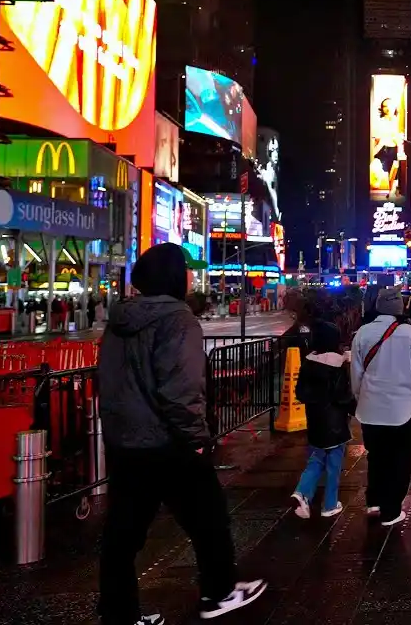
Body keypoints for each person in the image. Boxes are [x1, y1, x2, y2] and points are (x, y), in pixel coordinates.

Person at [96, 243, 266, 624]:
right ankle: (219, 592)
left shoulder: (119, 319)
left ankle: (119, 615)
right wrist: (198, 439)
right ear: (173, 276)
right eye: (185, 269)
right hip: (171, 444)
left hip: (126, 444)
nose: (190, 276)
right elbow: (181, 389)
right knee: (209, 521)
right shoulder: (178, 319)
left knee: (121, 539)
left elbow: (109, 382)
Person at [351, 288, 411, 526]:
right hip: (401, 409)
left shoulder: (363, 333)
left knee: (376, 455)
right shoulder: (410, 333)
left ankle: (374, 500)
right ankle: (391, 509)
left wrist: (360, 397)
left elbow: (356, 373)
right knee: (401, 458)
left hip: (369, 408)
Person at [291, 318, 354, 519]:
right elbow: (343, 396)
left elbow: (300, 393)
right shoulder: (337, 367)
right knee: (334, 465)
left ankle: (302, 492)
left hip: (315, 423)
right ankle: (329, 504)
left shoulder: (308, 363)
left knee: (317, 459)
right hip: (335, 426)